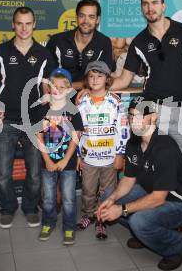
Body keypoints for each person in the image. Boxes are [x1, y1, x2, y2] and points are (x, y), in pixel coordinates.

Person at [97, 96, 182, 271]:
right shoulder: (134, 142)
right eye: (132, 115)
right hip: (151, 192)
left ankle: (178, 246)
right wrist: (111, 199)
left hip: (179, 203)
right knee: (108, 197)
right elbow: (128, 180)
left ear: (154, 117)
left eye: (141, 115)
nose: (134, 121)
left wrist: (121, 209)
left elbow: (158, 198)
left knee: (138, 221)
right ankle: (146, 235)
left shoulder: (165, 148)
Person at [109, 0, 182, 158]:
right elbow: (123, 80)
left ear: (163, 6)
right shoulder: (139, 42)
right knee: (157, 162)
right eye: (145, 4)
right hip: (155, 111)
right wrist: (94, 87)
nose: (150, 8)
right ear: (142, 8)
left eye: (155, 3)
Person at [0, 6, 56, 229]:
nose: (24, 28)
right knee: (2, 173)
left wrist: (48, 101)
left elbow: (46, 86)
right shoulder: (0, 51)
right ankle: (7, 207)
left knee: (35, 173)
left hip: (34, 120)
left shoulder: (44, 54)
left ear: (34, 24)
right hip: (5, 120)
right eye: (19, 23)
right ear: (13, 25)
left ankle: (29, 207)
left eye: (28, 23)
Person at [76, 61, 129, 240]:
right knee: (88, 190)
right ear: (86, 80)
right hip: (89, 158)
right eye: (91, 76)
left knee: (107, 192)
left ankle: (101, 221)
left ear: (107, 79)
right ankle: (88, 215)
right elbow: (77, 131)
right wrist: (78, 155)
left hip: (110, 158)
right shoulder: (81, 102)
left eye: (100, 76)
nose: (95, 79)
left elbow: (123, 130)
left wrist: (120, 154)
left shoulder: (115, 102)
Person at [35, 68, 83, 246]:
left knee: (69, 199)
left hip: (68, 164)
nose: (57, 90)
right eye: (54, 85)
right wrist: (47, 160)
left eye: (62, 87)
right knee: (48, 198)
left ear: (70, 90)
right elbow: (38, 136)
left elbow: (76, 138)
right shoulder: (42, 111)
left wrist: (65, 160)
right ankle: (48, 223)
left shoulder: (74, 112)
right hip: (47, 163)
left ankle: (69, 227)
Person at [46, 0, 115, 90]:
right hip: (59, 95)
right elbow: (46, 74)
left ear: (97, 20)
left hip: (90, 95)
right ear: (77, 17)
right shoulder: (57, 40)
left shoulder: (104, 42)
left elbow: (103, 78)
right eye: (82, 16)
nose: (86, 21)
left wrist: (72, 87)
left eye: (91, 17)